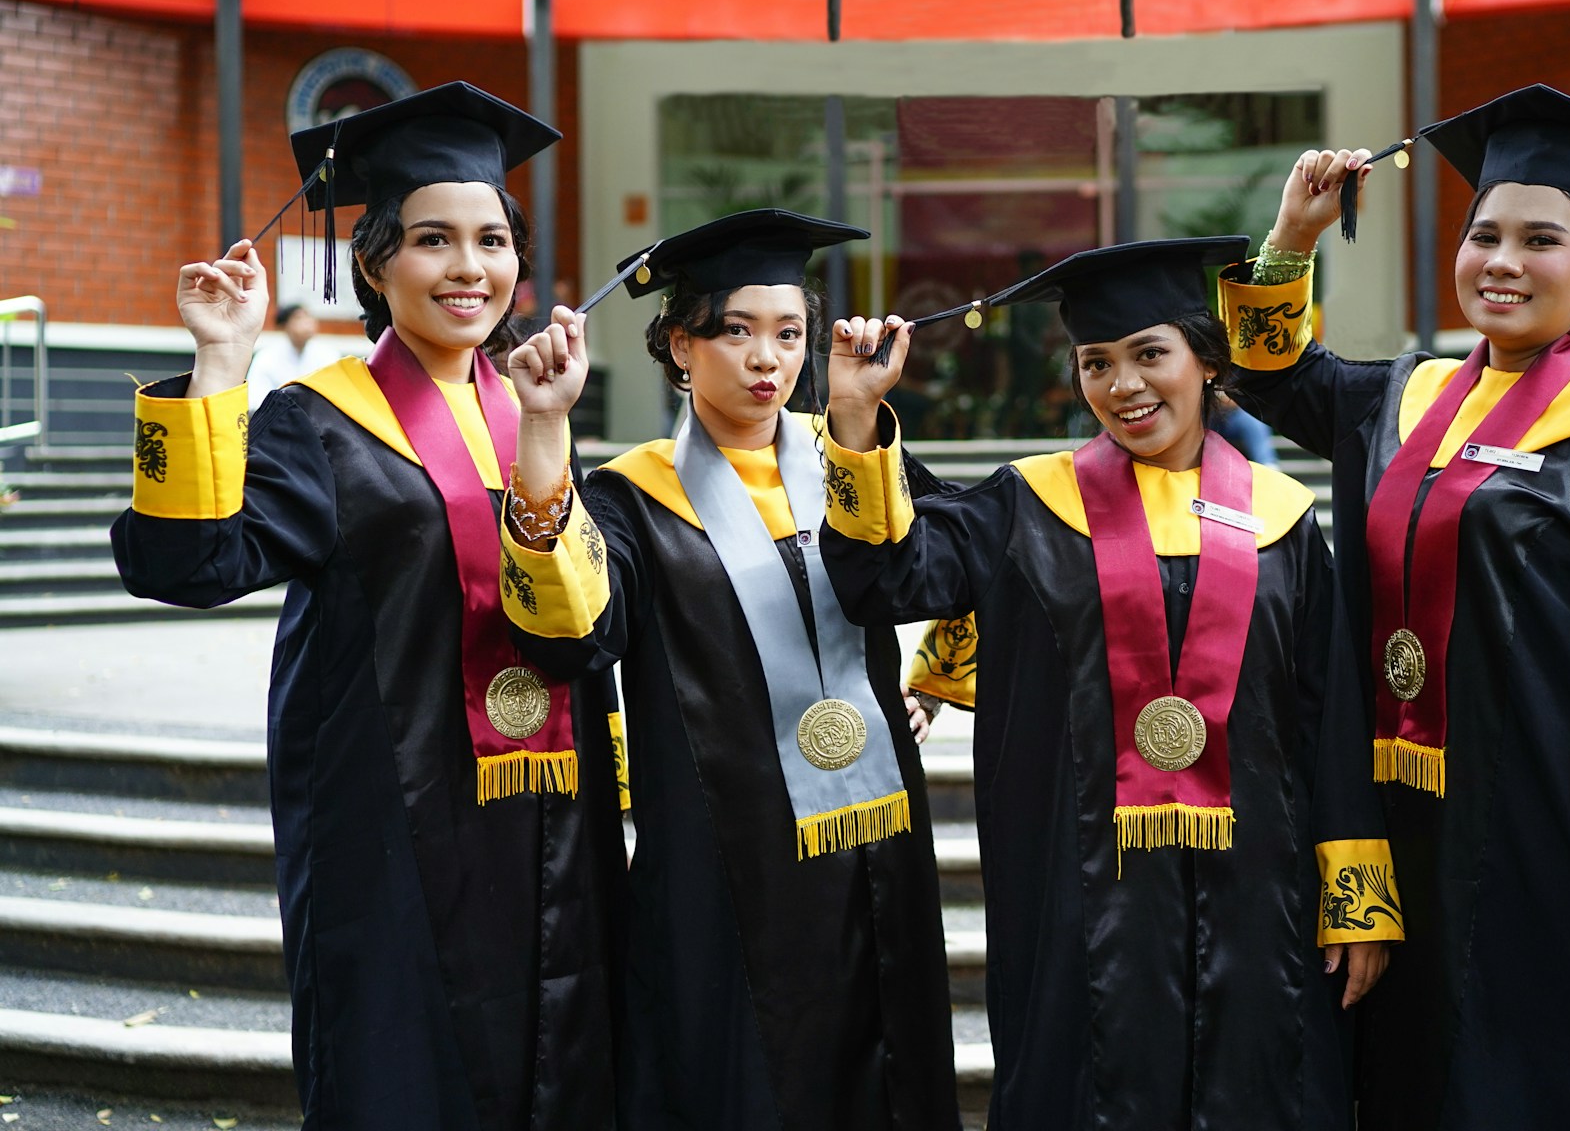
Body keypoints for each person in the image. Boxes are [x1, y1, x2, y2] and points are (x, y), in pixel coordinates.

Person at [111, 82, 626, 1129]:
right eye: (433, 239)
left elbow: (589, 628)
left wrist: (545, 436)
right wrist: (221, 358)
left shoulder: (542, 410)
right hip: (391, 808)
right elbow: (186, 561)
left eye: (491, 239)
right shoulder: (319, 424)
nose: (469, 267)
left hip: (543, 814)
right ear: (377, 261)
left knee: (554, 1048)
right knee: (402, 1064)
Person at [1224, 84, 1570, 1130]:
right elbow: (1267, 376)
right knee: (1416, 1077)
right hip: (1412, 827)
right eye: (1483, 234)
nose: (1501, 260)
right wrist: (1291, 236)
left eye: (1540, 240)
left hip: (1564, 830)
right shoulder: (1400, 400)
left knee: (1555, 1078)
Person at [819, 237, 1400, 1130]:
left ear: (1208, 361)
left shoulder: (1283, 521)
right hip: (1079, 901)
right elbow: (887, 579)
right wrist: (855, 420)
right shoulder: (1024, 506)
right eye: (1098, 362)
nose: (1124, 384)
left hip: (1263, 906)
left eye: (1149, 354)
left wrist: (1357, 899)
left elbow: (1328, 718)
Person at [499, 208, 961, 1131]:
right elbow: (571, 630)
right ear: (680, 344)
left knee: (886, 1053)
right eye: (736, 331)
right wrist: (544, 425)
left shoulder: (853, 461)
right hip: (724, 851)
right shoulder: (634, 497)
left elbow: (965, 566)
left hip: (876, 835)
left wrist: (937, 683)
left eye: (789, 334)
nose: (767, 360)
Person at [247, 303, 337, 411]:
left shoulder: (327, 354)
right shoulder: (266, 357)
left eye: (308, 316)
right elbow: (255, 399)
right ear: (284, 326)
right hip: (279, 419)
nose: (307, 322)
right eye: (298, 318)